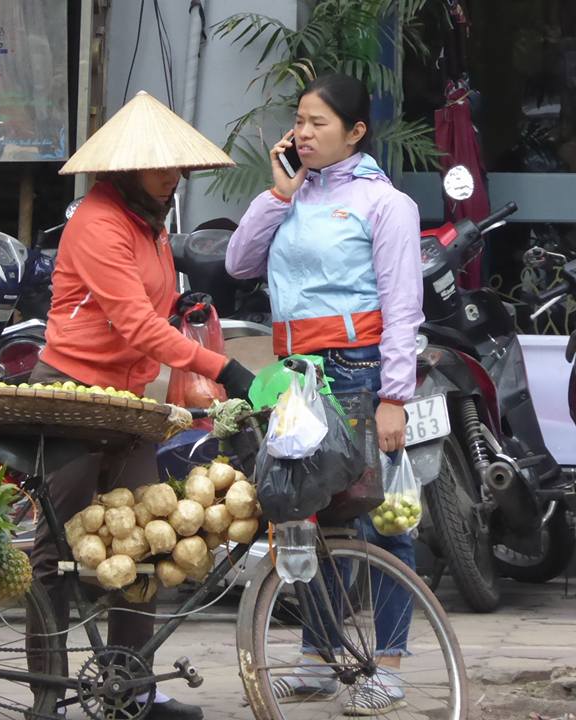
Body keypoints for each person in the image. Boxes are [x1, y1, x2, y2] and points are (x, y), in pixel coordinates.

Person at [30, 90, 257, 720]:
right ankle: (46, 695)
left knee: (146, 537)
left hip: (127, 402)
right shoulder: (98, 222)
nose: (171, 175)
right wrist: (222, 366)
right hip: (72, 395)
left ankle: (131, 690)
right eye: (158, 166)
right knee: (54, 551)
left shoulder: (151, 225)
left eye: (176, 165)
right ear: (126, 168)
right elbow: (134, 323)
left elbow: (152, 312)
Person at [225, 73, 424, 716]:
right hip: (297, 376)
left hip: (357, 370)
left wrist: (394, 395)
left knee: (378, 514)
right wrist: (278, 194)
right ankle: (317, 659)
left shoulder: (385, 204)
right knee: (304, 511)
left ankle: (388, 666)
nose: (303, 134)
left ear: (355, 131)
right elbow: (238, 263)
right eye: (299, 121)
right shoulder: (293, 195)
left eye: (318, 123)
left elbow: (403, 306)